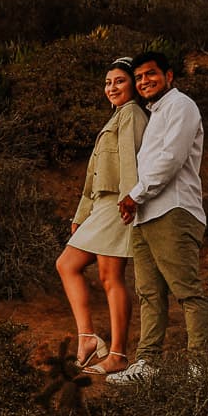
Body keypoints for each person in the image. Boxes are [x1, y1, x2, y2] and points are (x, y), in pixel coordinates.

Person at [107, 51, 208, 385]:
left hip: (173, 210)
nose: (144, 82)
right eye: (139, 78)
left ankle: (200, 368)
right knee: (150, 294)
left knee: (187, 292)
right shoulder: (155, 113)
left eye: (151, 74)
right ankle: (147, 364)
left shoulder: (181, 106)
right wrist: (136, 202)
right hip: (146, 214)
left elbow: (171, 158)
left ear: (169, 76)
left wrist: (134, 195)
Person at [56, 56, 147, 376]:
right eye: (108, 83)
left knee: (110, 277)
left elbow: (130, 161)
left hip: (117, 204)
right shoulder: (116, 116)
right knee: (67, 264)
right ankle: (88, 337)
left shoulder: (132, 113)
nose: (112, 87)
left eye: (119, 81)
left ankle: (119, 354)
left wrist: (129, 199)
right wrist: (82, 214)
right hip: (101, 206)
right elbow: (93, 176)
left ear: (134, 85)